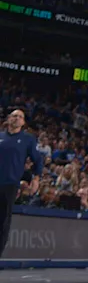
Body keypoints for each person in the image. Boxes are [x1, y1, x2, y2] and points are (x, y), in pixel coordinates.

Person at [0, 109, 42, 259]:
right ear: (8, 119)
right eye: (14, 116)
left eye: (20, 117)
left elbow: (38, 160)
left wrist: (36, 179)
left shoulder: (27, 139)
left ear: (23, 122)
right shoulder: (1, 136)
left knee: (3, 220)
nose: (17, 118)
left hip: (10, 184)